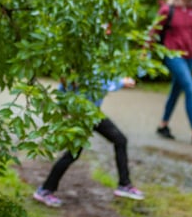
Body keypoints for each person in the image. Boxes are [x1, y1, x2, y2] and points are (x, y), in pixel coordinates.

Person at [32, 77, 145, 208]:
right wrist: (121, 83)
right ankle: (45, 190)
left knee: (120, 140)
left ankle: (124, 184)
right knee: (72, 154)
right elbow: (98, 82)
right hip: (82, 115)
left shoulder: (96, 63)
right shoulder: (85, 65)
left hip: (93, 113)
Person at [153, 0, 192, 142]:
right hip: (172, 54)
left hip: (190, 56)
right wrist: (144, 51)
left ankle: (163, 125)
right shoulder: (167, 10)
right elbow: (153, 31)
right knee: (190, 88)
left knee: (176, 90)